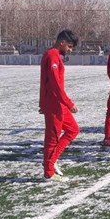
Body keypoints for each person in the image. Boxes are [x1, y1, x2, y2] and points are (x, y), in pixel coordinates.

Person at [39, 29, 79, 180]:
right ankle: (48, 173)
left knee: (73, 130)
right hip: (55, 103)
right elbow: (54, 84)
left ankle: (52, 160)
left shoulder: (53, 55)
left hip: (57, 103)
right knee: (52, 137)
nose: (70, 50)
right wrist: (69, 103)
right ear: (62, 42)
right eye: (69, 46)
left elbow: (46, 82)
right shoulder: (52, 56)